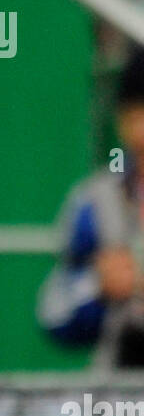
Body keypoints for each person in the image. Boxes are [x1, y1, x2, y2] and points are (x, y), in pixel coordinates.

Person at [37, 48, 144, 369]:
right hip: (122, 400)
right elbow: (52, 312)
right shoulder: (96, 200)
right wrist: (99, 284)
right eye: (135, 115)